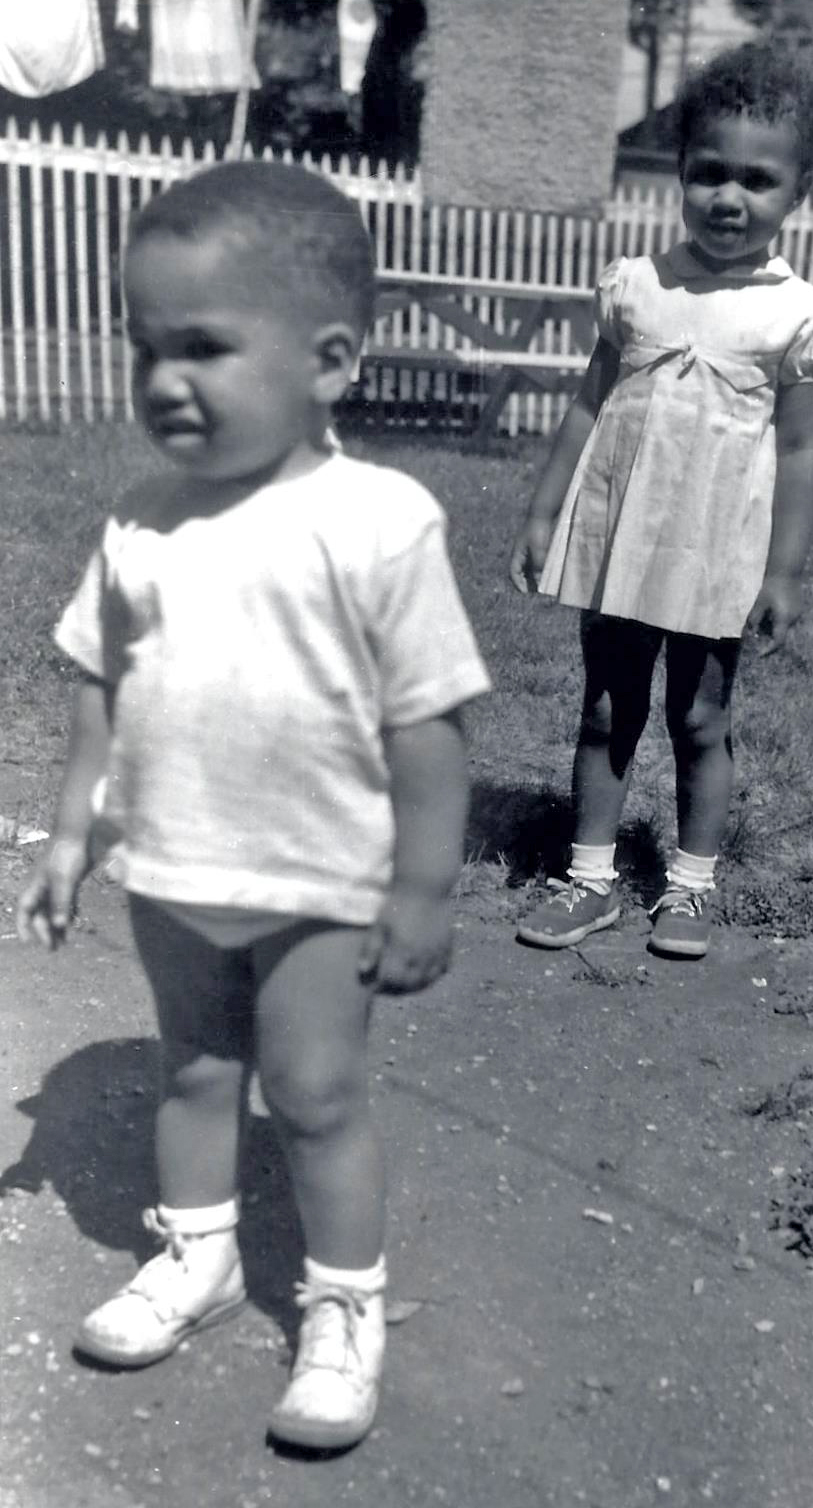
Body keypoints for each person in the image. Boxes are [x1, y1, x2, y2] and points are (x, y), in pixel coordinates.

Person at [17, 161, 490, 1451]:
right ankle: (201, 1254)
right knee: (195, 1069)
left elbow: (428, 720)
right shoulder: (139, 522)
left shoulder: (377, 522)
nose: (167, 377)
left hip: (319, 881)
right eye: (145, 345)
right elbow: (104, 687)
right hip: (175, 867)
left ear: (329, 360)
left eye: (207, 347)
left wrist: (420, 887)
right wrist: (71, 833)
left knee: (318, 1091)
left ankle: (343, 1303)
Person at [509, 41, 813, 960]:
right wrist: (545, 514)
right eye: (707, 174)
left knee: (698, 716)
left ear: (797, 191)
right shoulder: (636, 287)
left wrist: (781, 571)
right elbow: (586, 406)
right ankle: (589, 880)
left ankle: (689, 889)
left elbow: (803, 446)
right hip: (620, 538)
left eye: (757, 181)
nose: (728, 199)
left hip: (714, 552)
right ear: (678, 172)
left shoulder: (799, 318)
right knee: (606, 710)